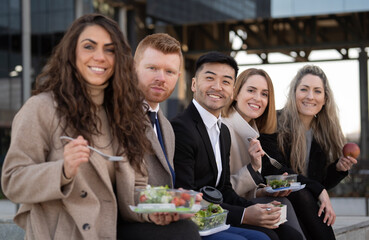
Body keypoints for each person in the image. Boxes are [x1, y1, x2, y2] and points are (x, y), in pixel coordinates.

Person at [1, 14, 150, 239]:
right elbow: (12, 181)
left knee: (181, 230)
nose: (100, 57)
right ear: (71, 52)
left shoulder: (124, 113)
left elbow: (137, 185)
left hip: (113, 229)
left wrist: (156, 211)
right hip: (66, 233)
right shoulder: (42, 107)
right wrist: (62, 170)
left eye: (109, 50)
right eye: (89, 46)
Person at [171, 51, 303, 240]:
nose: (217, 87)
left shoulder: (222, 131)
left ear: (232, 90)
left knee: (290, 235)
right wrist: (244, 214)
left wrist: (254, 209)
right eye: (210, 78)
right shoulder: (181, 128)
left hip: (218, 214)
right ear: (193, 84)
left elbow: (224, 189)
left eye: (226, 81)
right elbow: (188, 195)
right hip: (196, 222)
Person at [116, 33, 202, 240]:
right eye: (152, 68)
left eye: (169, 71)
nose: (161, 78)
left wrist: (177, 203)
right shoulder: (119, 115)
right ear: (133, 69)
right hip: (121, 220)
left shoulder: (166, 127)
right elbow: (123, 189)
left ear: (178, 77)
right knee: (187, 232)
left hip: (155, 216)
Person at [259, 64, 358, 240]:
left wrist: (338, 169)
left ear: (325, 98)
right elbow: (275, 170)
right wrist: (319, 190)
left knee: (306, 198)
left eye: (317, 91)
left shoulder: (322, 134)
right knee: (302, 194)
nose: (310, 96)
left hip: (304, 205)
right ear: (294, 93)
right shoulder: (274, 122)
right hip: (273, 199)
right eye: (304, 89)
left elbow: (319, 183)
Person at [221, 68, 306, 239]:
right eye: (251, 90)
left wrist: (264, 192)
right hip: (227, 210)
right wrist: (253, 168)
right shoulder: (223, 129)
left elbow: (244, 190)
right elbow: (223, 190)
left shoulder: (253, 132)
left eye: (264, 94)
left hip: (242, 203)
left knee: (284, 203)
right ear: (236, 94)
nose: (258, 98)